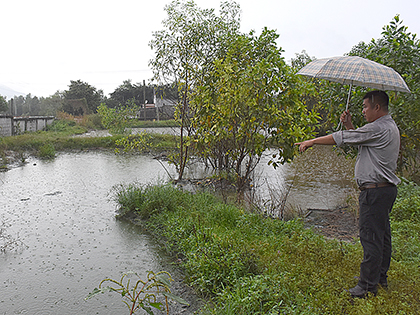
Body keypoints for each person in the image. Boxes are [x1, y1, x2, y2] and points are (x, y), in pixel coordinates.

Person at [295, 90, 400, 298]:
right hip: (383, 190)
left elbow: (343, 138)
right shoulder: (386, 126)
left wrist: (313, 141)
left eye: (365, 107)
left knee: (371, 238)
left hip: (375, 192)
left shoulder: (379, 127)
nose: (363, 110)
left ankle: (367, 287)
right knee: (381, 237)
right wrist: (349, 125)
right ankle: (379, 279)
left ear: (377, 107)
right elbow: (360, 140)